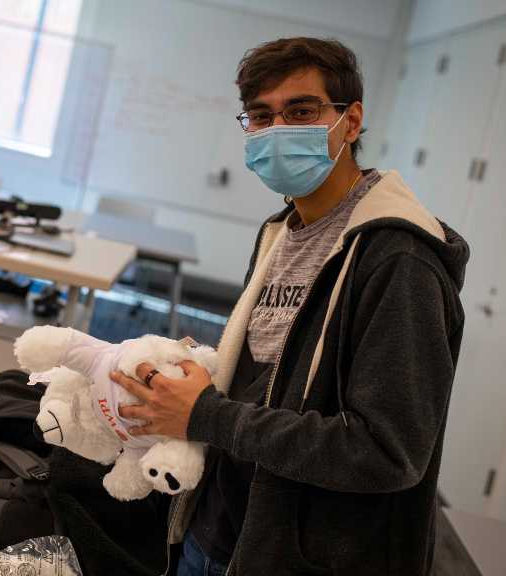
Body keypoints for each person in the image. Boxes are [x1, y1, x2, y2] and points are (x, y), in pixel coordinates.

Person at [111, 38, 468, 575]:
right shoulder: (280, 232)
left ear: (350, 123)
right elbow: (273, 379)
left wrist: (207, 414)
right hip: (218, 534)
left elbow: (386, 452)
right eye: (261, 115)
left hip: (297, 558)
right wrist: (193, 378)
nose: (278, 130)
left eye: (301, 111)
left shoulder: (399, 260)